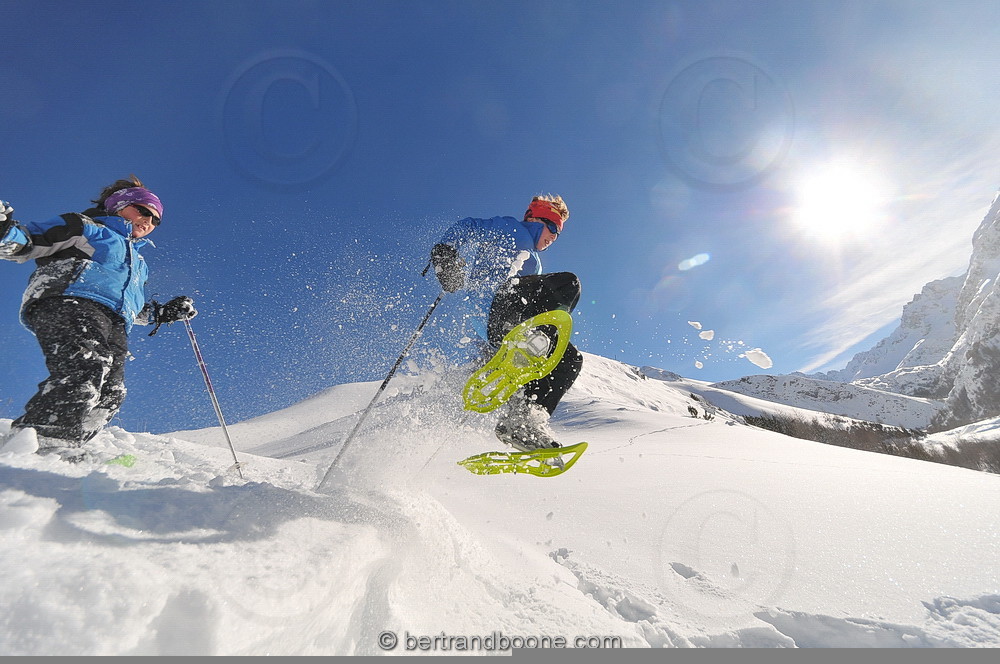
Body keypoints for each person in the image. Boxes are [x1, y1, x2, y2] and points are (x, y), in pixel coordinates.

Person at [0, 176, 197, 461]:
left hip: (114, 321)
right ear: (119, 205)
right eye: (142, 210)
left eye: (155, 220)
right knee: (88, 367)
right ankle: (46, 439)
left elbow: (135, 306)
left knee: (111, 392)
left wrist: (163, 313)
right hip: (68, 300)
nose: (148, 221)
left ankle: (69, 444)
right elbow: (29, 242)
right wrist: (5, 230)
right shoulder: (87, 228)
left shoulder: (138, 263)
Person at [430, 194, 583, 451]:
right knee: (569, 284)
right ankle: (541, 341)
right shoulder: (513, 229)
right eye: (554, 228)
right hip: (496, 306)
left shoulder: (532, 262)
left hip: (508, 325)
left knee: (570, 360)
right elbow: (471, 226)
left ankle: (521, 421)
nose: (555, 237)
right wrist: (446, 253)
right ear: (537, 219)